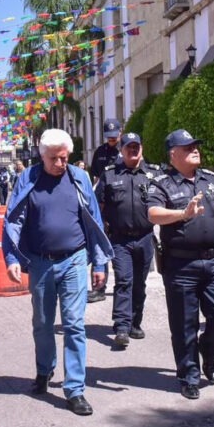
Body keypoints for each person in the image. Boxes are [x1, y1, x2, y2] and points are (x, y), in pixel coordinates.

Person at [2, 129, 112, 416]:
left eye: (64, 157)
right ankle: (44, 369)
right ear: (42, 156)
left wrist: (99, 264)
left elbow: (94, 219)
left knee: (74, 324)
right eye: (54, 159)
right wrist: (11, 257)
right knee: (42, 322)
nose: (61, 163)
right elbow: (13, 219)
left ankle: (75, 389)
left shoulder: (79, 177)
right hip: (40, 263)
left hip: (74, 259)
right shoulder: (28, 178)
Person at [147, 129, 214, 400]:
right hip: (181, 265)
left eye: (195, 146)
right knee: (184, 325)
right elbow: (153, 214)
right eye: (188, 147)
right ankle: (189, 376)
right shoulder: (162, 184)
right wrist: (183, 213)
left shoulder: (210, 179)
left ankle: (208, 352)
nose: (195, 150)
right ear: (173, 155)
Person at [95, 132, 162, 348]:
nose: (133, 150)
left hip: (145, 237)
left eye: (136, 147)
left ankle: (135, 322)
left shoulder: (154, 174)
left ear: (141, 149)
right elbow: (98, 207)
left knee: (139, 284)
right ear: (121, 150)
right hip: (119, 239)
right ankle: (122, 326)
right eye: (128, 147)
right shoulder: (110, 174)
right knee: (124, 280)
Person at [87, 118, 122, 303]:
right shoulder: (100, 152)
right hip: (101, 205)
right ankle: (99, 288)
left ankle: (123, 287)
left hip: (119, 206)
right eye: (109, 136)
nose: (112, 139)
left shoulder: (126, 151)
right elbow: (95, 178)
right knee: (99, 245)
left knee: (119, 249)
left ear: (120, 132)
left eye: (114, 136)